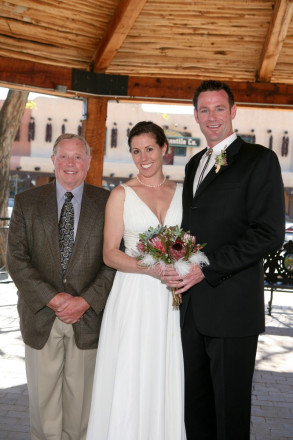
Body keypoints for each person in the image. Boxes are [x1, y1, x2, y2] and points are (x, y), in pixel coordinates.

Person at [163, 80, 285, 440]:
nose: (212, 117)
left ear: (233, 112)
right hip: (192, 309)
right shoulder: (194, 164)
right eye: (204, 110)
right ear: (196, 116)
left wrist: (206, 267)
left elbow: (268, 234)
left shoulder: (259, 160)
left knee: (230, 416)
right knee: (195, 411)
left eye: (219, 109)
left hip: (233, 309)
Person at [6, 133, 115, 440]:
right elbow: (15, 259)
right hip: (41, 316)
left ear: (89, 162)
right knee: (43, 409)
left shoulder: (107, 203)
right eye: (64, 156)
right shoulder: (27, 202)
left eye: (78, 156)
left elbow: (113, 261)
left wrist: (85, 301)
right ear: (53, 161)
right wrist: (53, 299)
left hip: (87, 319)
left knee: (81, 412)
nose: (71, 163)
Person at [86, 121, 186, 440]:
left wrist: (180, 266)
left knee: (162, 372)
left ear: (164, 150)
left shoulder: (182, 194)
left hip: (167, 299)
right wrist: (150, 268)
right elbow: (109, 254)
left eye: (150, 149)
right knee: (129, 372)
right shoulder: (121, 194)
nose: (143, 157)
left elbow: (187, 245)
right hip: (132, 294)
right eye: (136, 151)